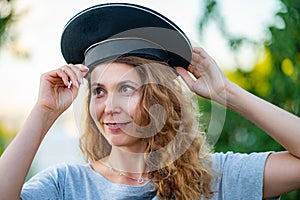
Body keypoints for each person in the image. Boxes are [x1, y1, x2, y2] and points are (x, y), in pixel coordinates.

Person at [0, 3, 300, 200]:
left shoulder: (215, 179)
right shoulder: (65, 185)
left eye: (127, 89)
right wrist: (43, 112)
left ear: (161, 100)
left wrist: (226, 92)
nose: (109, 107)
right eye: (99, 91)